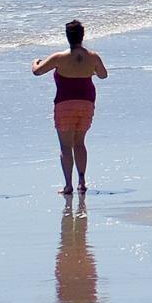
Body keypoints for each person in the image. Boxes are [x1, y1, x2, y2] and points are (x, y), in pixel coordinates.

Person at [33, 20, 107, 197]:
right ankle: (81, 181)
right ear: (83, 36)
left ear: (67, 37)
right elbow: (104, 75)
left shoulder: (59, 57)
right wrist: (91, 71)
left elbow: (37, 71)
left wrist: (35, 62)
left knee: (66, 146)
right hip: (86, 102)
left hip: (65, 103)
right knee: (80, 142)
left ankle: (68, 185)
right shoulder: (93, 57)